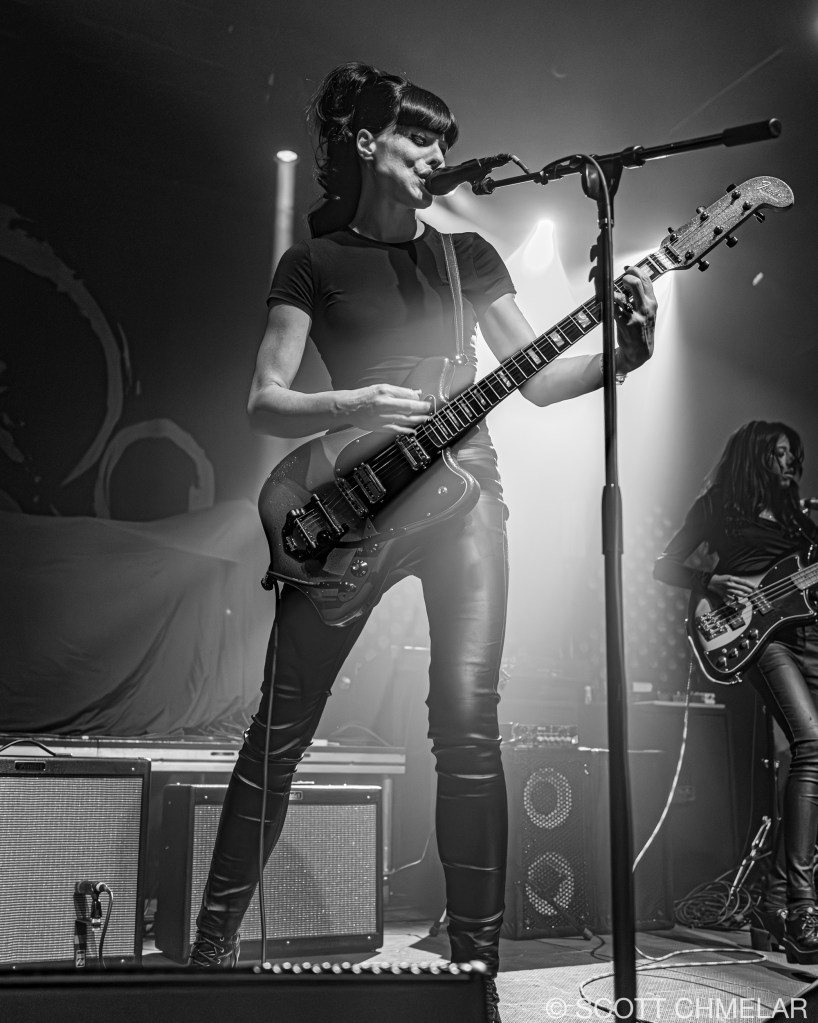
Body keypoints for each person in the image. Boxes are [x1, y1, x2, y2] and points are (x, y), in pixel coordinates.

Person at [189, 61, 657, 1018]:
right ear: (368, 143)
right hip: (349, 503)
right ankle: (207, 955)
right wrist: (354, 401)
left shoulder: (465, 256)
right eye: (419, 136)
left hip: (465, 491)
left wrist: (625, 356)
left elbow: (537, 378)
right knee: (280, 732)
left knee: (468, 721)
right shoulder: (313, 260)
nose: (438, 153)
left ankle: (475, 974)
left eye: (446, 140)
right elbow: (264, 399)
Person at [654, 420, 818, 964]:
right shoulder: (721, 507)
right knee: (812, 745)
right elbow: (664, 564)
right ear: (756, 456)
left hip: (809, 636)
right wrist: (711, 582)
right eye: (780, 453)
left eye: (794, 455)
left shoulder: (799, 520)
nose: (791, 463)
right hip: (758, 637)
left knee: (813, 757)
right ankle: (802, 905)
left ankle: (772, 905)